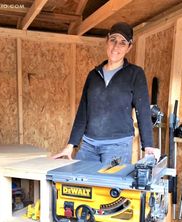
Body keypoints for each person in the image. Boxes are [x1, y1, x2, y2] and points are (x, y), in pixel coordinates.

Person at [53, 22, 159, 164]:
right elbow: (82, 112)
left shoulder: (135, 74)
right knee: (80, 182)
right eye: (113, 40)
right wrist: (70, 145)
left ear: (129, 47)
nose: (116, 47)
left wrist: (148, 146)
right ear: (107, 41)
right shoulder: (93, 75)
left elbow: (143, 110)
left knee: (109, 185)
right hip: (89, 145)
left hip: (118, 146)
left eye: (123, 43)